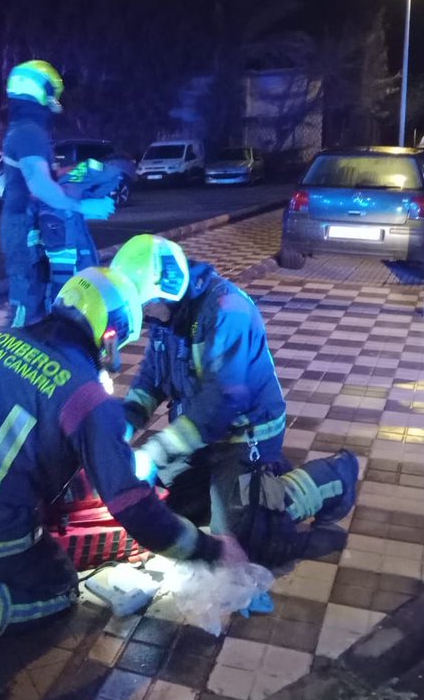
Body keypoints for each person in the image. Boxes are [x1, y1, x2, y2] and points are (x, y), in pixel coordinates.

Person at [0, 266, 247, 694]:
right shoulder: (86, 394)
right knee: (57, 585)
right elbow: (134, 510)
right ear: (110, 336)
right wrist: (208, 549)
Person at [111, 234, 358, 566]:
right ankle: (252, 484)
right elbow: (151, 378)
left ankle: (332, 477)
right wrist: (124, 424)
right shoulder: (166, 315)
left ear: (168, 289)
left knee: (243, 540)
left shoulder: (227, 310)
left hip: (244, 434)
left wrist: (156, 450)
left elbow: (221, 402)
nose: (144, 316)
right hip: (199, 433)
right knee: (165, 507)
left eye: (145, 306)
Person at [1, 59, 113, 327]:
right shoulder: (29, 133)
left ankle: (34, 354)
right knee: (27, 308)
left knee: (40, 302)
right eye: (51, 93)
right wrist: (86, 208)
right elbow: (39, 186)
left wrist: (79, 172)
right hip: (24, 232)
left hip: (28, 229)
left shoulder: (26, 131)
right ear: (39, 90)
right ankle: (13, 358)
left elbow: (45, 177)